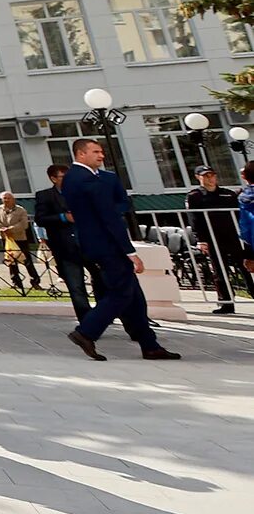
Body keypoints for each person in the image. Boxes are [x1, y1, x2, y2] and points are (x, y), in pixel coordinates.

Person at [62, 138, 180, 363]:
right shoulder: (84, 178)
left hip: (99, 243)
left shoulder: (82, 178)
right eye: (95, 151)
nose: (101, 155)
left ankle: (150, 345)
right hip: (106, 245)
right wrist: (130, 251)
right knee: (121, 293)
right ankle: (86, 332)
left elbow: (119, 204)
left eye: (102, 151)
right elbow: (109, 218)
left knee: (134, 296)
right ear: (80, 154)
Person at [35, 163, 98, 322]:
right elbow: (40, 219)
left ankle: (101, 314)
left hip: (90, 245)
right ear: (53, 178)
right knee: (76, 287)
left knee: (102, 280)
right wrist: (63, 217)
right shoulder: (45, 196)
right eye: (64, 177)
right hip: (66, 248)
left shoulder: (82, 193)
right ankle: (87, 322)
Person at [187, 165, 247, 314]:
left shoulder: (227, 194)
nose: (210, 178)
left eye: (212, 175)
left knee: (245, 267)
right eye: (206, 176)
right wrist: (200, 239)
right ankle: (226, 302)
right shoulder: (195, 196)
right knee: (219, 271)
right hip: (212, 238)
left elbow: (239, 215)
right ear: (198, 177)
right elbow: (194, 219)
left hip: (232, 236)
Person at [0, 191, 43, 294]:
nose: (6, 200)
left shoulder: (21, 210)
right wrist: (2, 229)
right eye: (4, 198)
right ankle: (16, 282)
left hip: (19, 238)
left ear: (13, 199)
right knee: (10, 260)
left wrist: (11, 229)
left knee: (26, 260)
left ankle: (35, 281)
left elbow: (24, 224)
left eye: (8, 198)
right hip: (5, 238)